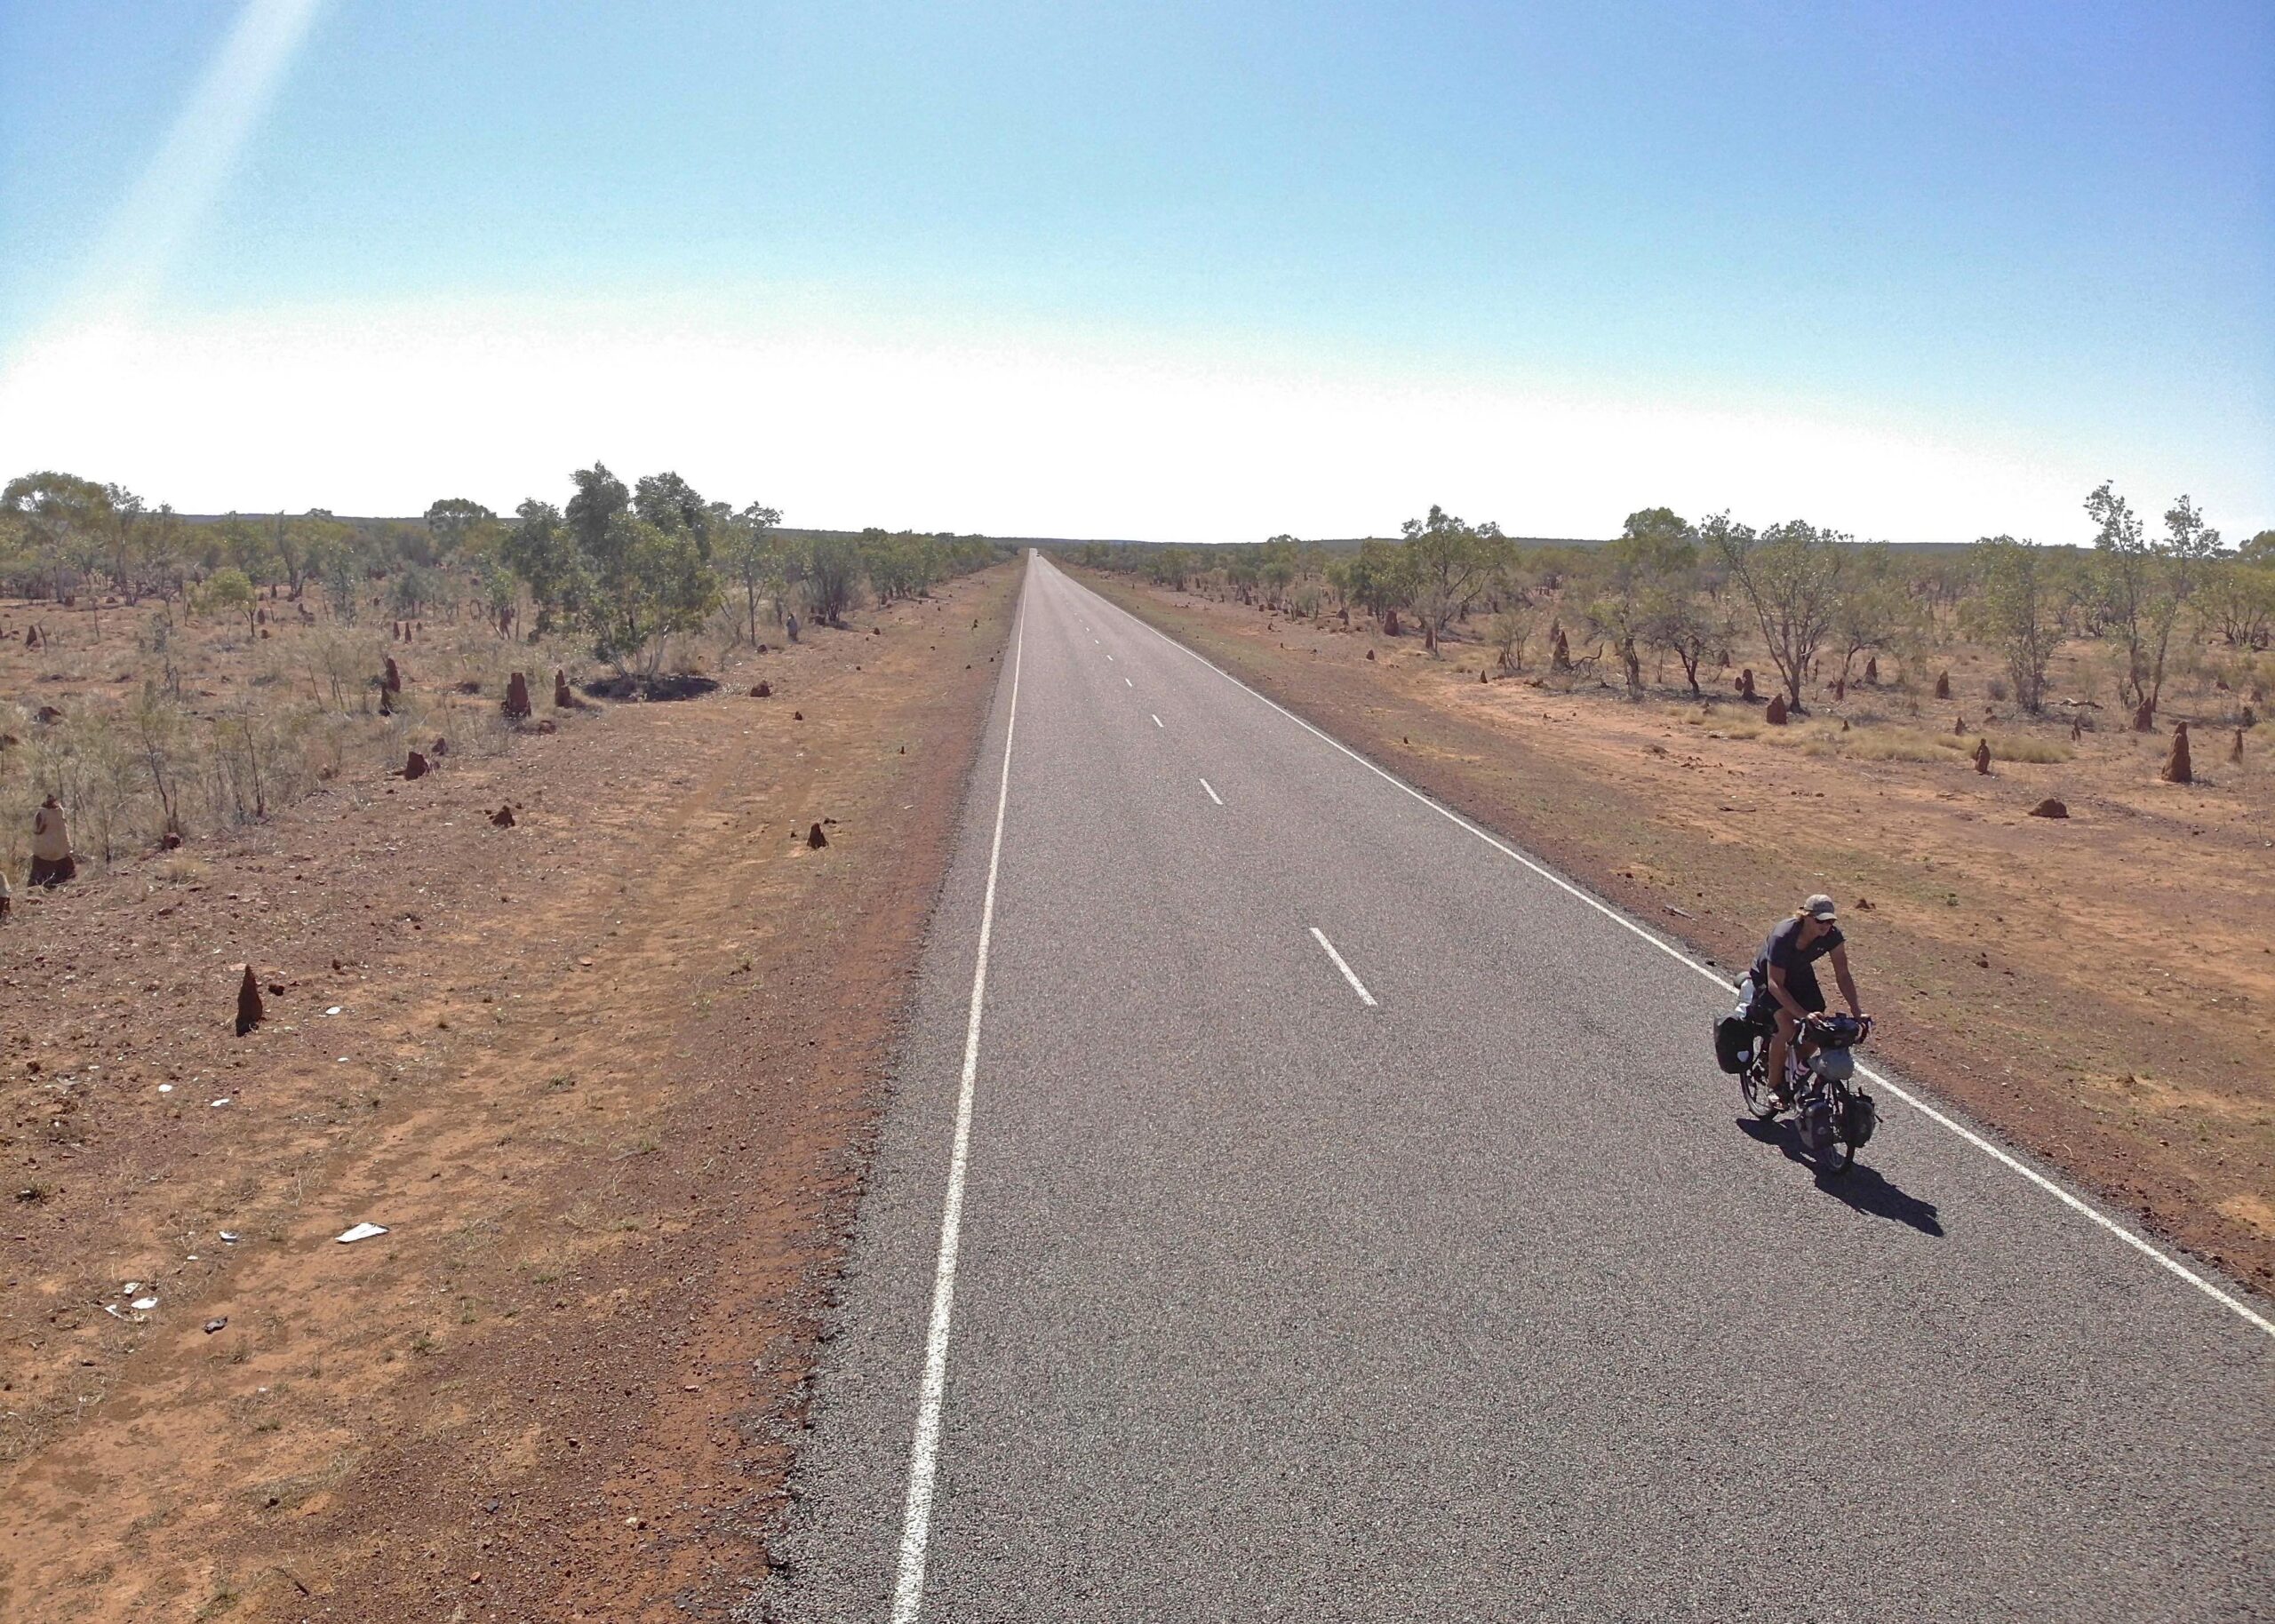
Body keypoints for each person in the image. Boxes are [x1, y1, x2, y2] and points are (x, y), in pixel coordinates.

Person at [1750, 893, 1863, 1102]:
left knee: (1820, 1029)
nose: (1825, 925)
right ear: (1806, 916)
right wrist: (1803, 1014)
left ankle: (1792, 1067)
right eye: (1820, 920)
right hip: (1769, 976)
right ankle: (1774, 1086)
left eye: (1830, 920)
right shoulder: (1784, 935)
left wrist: (1858, 1012)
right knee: (1787, 1027)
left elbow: (1843, 974)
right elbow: (1775, 984)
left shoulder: (1833, 936)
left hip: (1798, 972)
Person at [29, 794, 76, 887]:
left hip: (45, 851)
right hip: (60, 851)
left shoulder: (42, 813)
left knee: (40, 867)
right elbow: (64, 831)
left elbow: (36, 830)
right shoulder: (59, 811)